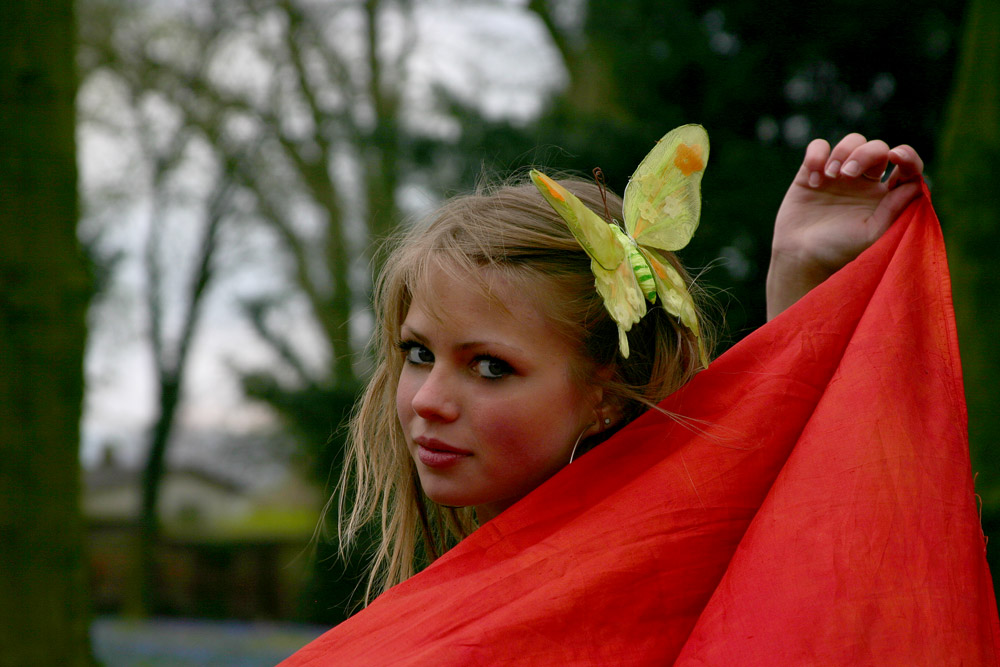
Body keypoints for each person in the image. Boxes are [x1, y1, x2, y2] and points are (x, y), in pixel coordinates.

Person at [333, 129, 927, 602]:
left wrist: (800, 277)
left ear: (606, 396)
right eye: (418, 354)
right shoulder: (461, 596)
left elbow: (798, 519)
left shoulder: (652, 586)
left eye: (490, 367)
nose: (427, 400)